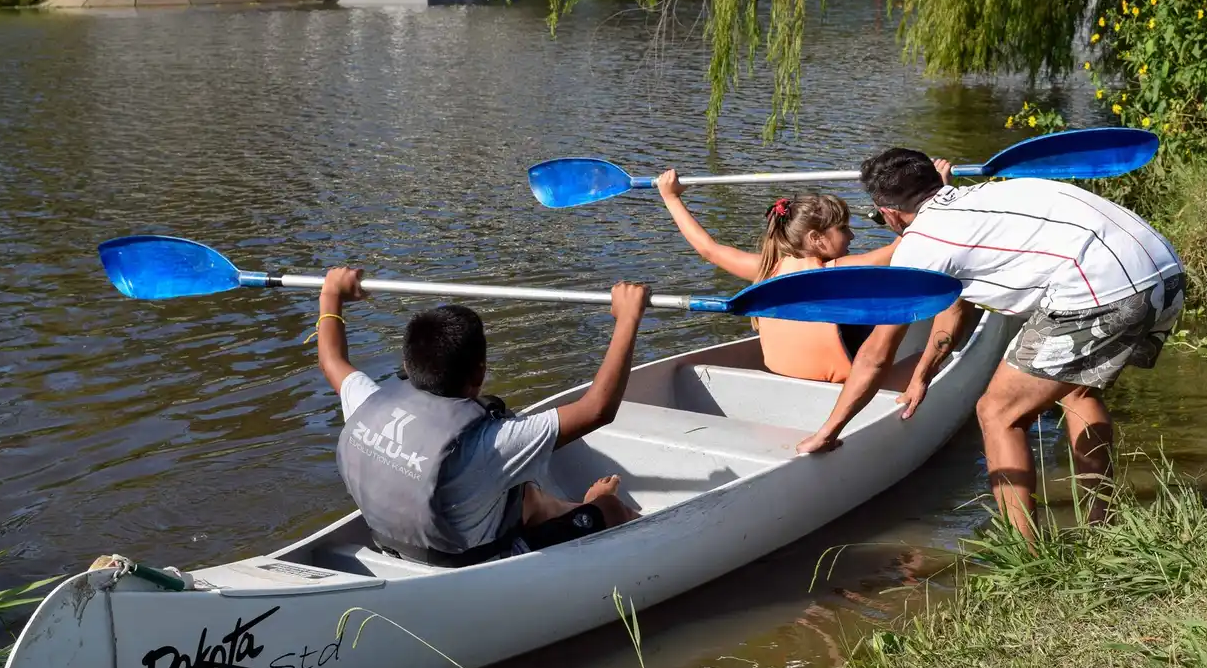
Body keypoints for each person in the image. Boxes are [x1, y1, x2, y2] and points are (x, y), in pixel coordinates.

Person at [799, 147, 1186, 545]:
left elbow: (877, 354)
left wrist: (830, 431)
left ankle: (1027, 555)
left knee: (997, 411)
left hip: (1103, 291)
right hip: (1162, 269)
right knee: (1076, 387)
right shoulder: (983, 196)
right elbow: (955, 306)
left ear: (890, 212)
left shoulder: (920, 248)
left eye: (879, 216)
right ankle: (1101, 524)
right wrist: (923, 373)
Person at [315, 266, 648, 566]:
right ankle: (595, 505)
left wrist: (331, 294)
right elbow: (597, 410)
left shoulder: (368, 403)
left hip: (395, 546)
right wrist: (628, 318)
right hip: (470, 565)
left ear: (408, 365)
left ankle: (572, 507)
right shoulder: (490, 444)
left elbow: (332, 360)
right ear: (479, 374)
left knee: (524, 492)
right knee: (610, 510)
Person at [655, 169, 888, 382]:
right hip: (841, 388)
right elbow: (901, 247)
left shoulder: (766, 269)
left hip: (784, 379)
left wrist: (671, 197)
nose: (852, 236)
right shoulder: (839, 270)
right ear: (816, 238)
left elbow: (709, 250)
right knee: (917, 358)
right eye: (844, 228)